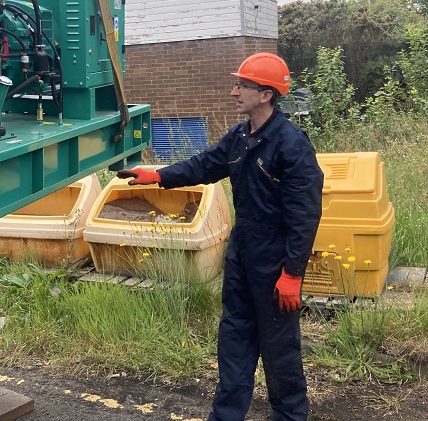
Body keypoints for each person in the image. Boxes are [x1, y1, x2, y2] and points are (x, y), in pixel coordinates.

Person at [119, 53, 323, 421]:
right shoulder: (240, 136)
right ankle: (226, 415)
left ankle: (290, 416)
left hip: (275, 256)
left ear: (266, 94)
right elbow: (203, 164)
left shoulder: (291, 144)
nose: (233, 92)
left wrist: (293, 273)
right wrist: (159, 176)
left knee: (279, 347)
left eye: (241, 85)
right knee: (234, 339)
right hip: (242, 248)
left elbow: (305, 215)